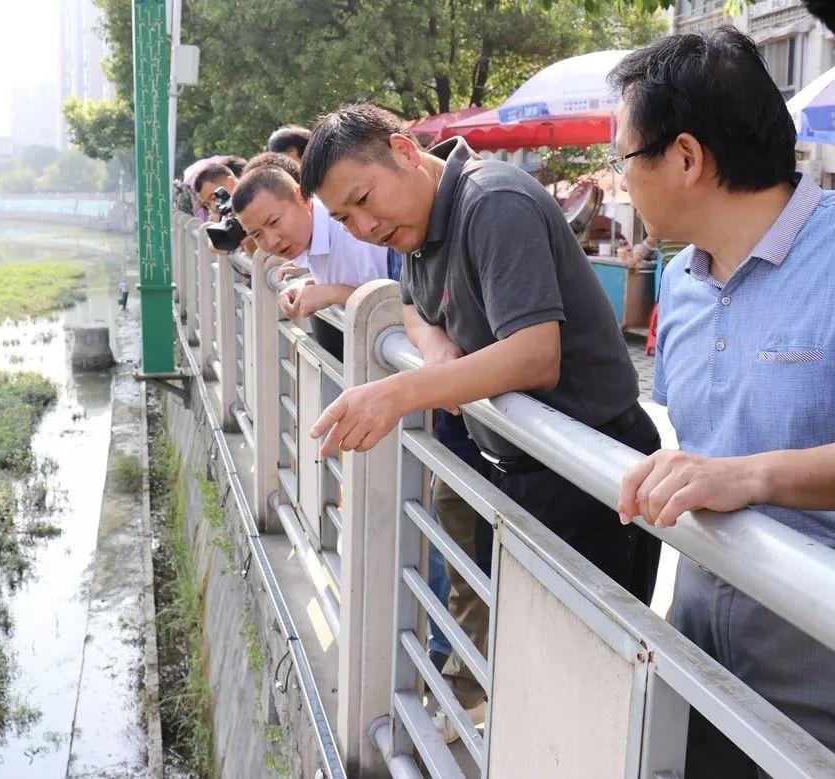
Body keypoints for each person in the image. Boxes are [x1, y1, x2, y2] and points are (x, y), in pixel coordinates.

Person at [300, 102, 662, 602]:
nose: (364, 226)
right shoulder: (417, 225)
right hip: (514, 466)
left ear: (404, 152)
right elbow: (412, 307)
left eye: (363, 199)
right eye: (344, 219)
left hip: (589, 471)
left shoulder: (492, 201)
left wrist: (398, 392)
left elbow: (535, 354)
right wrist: (436, 348)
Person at [609, 28, 835, 776]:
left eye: (622, 159)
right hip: (697, 655)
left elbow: (732, 469)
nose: (619, 182)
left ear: (684, 157)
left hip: (816, 686)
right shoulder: (679, 281)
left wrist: (754, 474)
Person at [230, 166, 388, 360]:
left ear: (301, 197)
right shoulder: (312, 236)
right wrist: (312, 283)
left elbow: (399, 304)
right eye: (256, 235)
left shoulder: (352, 229)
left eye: (274, 222)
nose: (271, 241)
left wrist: (333, 292)